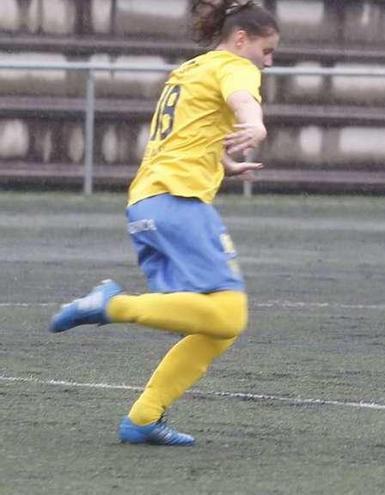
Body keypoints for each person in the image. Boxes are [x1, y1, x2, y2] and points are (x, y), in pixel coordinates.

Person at [48, 0, 279, 446]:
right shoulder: (236, 66)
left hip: (147, 204)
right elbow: (242, 99)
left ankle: (144, 417)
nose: (268, 62)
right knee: (230, 314)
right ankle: (111, 304)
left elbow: (185, 133)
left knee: (214, 327)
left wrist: (221, 163)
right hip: (180, 203)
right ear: (241, 39)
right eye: (266, 51)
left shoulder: (190, 69)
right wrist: (257, 125)